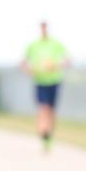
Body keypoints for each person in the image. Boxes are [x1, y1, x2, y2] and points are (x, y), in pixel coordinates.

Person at [23, 21, 69, 151]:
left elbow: (67, 60)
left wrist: (56, 65)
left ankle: (49, 136)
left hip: (54, 81)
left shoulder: (56, 43)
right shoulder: (33, 45)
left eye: (46, 26)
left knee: (51, 111)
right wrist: (29, 71)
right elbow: (24, 62)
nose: (44, 29)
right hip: (40, 81)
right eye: (42, 26)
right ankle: (43, 131)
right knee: (43, 107)